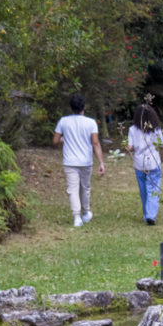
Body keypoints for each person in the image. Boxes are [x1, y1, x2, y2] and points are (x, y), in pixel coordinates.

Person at [53, 93, 105, 227]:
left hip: (69, 161)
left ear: (71, 107)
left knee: (73, 189)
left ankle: (76, 217)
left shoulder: (63, 121)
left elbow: (55, 140)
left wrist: (65, 138)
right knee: (85, 187)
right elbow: (95, 142)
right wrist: (101, 162)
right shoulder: (91, 122)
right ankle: (85, 213)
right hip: (86, 161)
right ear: (84, 107)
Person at [126, 103, 163, 225]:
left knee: (143, 191)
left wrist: (128, 148)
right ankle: (151, 215)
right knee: (153, 189)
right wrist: (162, 157)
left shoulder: (132, 129)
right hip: (153, 162)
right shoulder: (156, 130)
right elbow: (161, 146)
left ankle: (146, 214)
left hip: (139, 164)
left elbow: (130, 147)